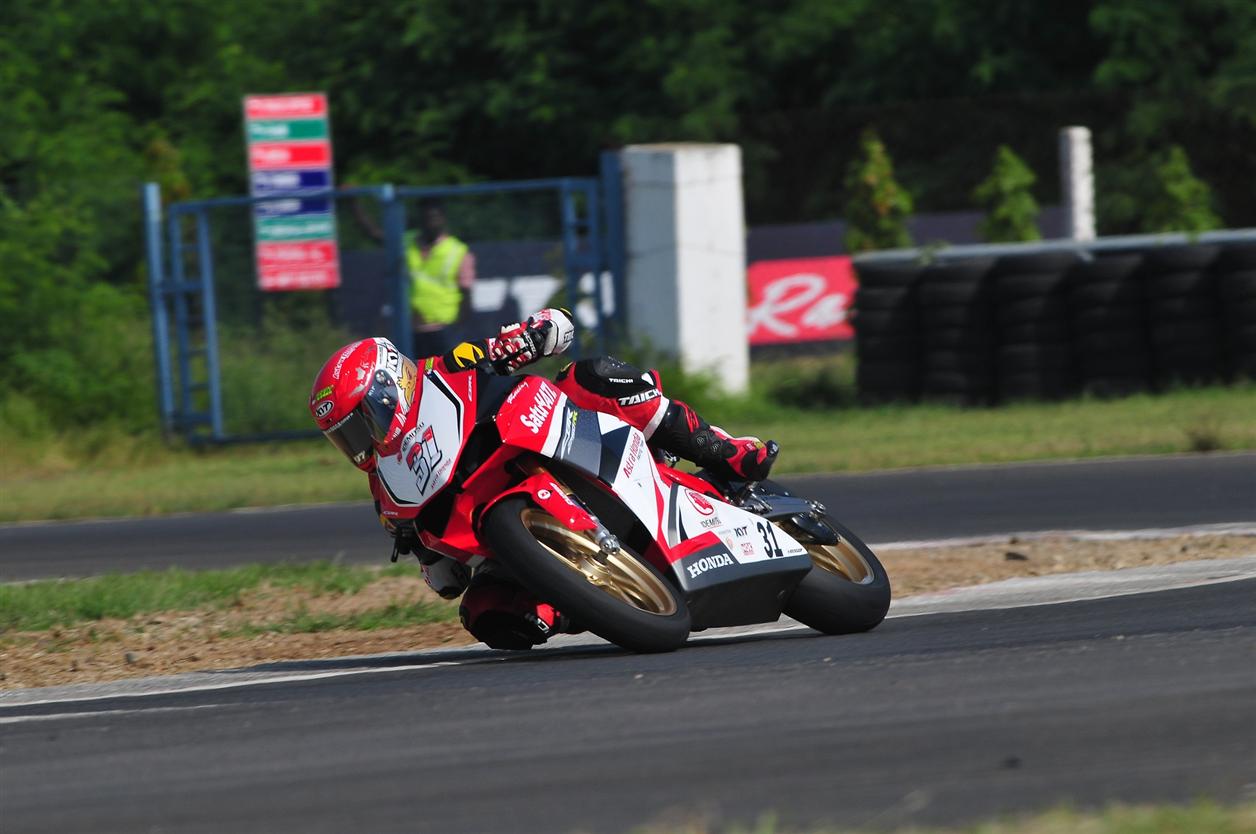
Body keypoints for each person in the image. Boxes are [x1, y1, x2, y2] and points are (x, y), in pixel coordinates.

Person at [309, 308, 778, 650]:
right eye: (345, 436)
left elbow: (559, 324)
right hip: (498, 519)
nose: (359, 442)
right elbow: (444, 579)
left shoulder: (450, 366)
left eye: (360, 421)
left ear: (390, 386)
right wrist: (428, 556)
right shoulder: (387, 496)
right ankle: (575, 602)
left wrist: (531, 335)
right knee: (484, 613)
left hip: (548, 438)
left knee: (593, 375)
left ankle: (722, 450)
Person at [406, 201, 477, 356]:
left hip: (443, 331)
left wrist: (457, 333)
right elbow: (379, 236)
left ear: (443, 219)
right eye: (426, 218)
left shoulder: (457, 251)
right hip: (411, 330)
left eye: (434, 217)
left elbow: (467, 297)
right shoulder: (408, 243)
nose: (430, 222)